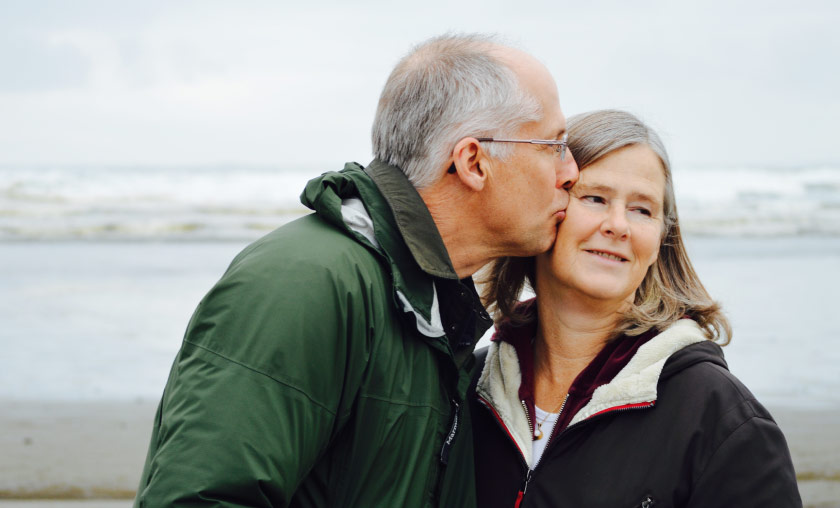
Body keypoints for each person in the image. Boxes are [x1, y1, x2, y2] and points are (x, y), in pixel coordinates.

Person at [133, 34, 579, 507]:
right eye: (553, 145)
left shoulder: (432, 306)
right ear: (473, 162)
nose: (570, 171)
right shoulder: (307, 282)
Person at [470, 109, 801, 507]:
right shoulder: (470, 387)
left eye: (642, 209)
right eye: (594, 198)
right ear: (547, 206)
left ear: (662, 237)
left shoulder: (721, 419)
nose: (618, 225)